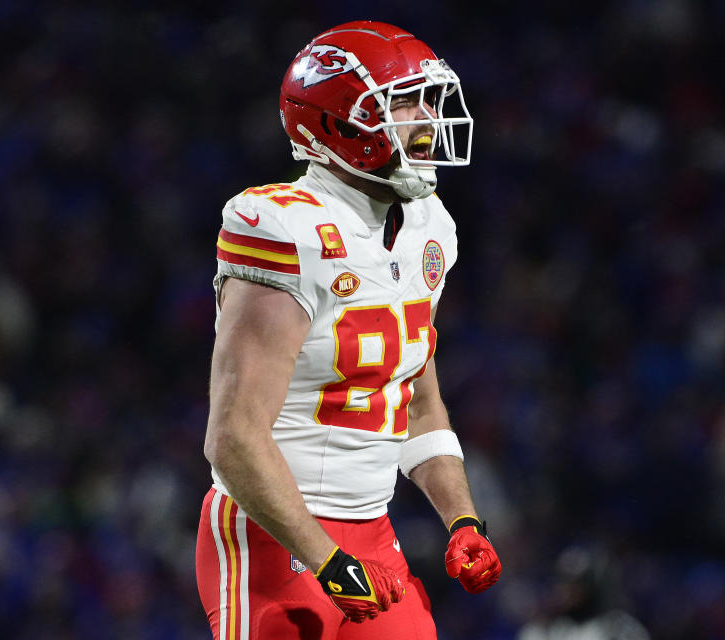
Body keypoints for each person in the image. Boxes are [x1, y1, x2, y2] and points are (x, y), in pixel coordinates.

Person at [194, 21, 502, 640]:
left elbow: (416, 400)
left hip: (372, 531)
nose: (426, 119)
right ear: (339, 123)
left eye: (426, 99)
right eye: (403, 102)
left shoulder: (428, 229)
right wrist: (326, 560)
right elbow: (233, 438)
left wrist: (463, 520)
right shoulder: (283, 228)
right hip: (270, 536)